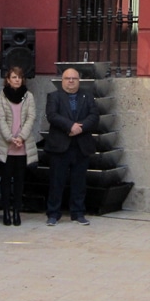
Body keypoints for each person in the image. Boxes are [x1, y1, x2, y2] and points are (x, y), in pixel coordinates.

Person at [45, 67, 99, 227]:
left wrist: (80, 128)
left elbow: (94, 116)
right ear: (62, 81)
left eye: (74, 78)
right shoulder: (54, 97)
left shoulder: (87, 96)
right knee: (56, 181)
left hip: (81, 145)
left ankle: (78, 213)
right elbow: (52, 115)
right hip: (60, 145)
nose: (70, 81)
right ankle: (53, 214)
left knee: (79, 182)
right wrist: (70, 126)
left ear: (79, 80)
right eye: (67, 78)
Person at [0, 66, 37, 226]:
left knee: (19, 180)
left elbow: (31, 117)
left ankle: (17, 211)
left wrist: (21, 137)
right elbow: (0, 119)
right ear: (8, 79)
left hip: (23, 145)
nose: (17, 80)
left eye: (19, 77)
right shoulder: (2, 96)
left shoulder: (28, 96)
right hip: (6, 145)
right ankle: (6, 212)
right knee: (5, 180)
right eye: (14, 77)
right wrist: (10, 138)